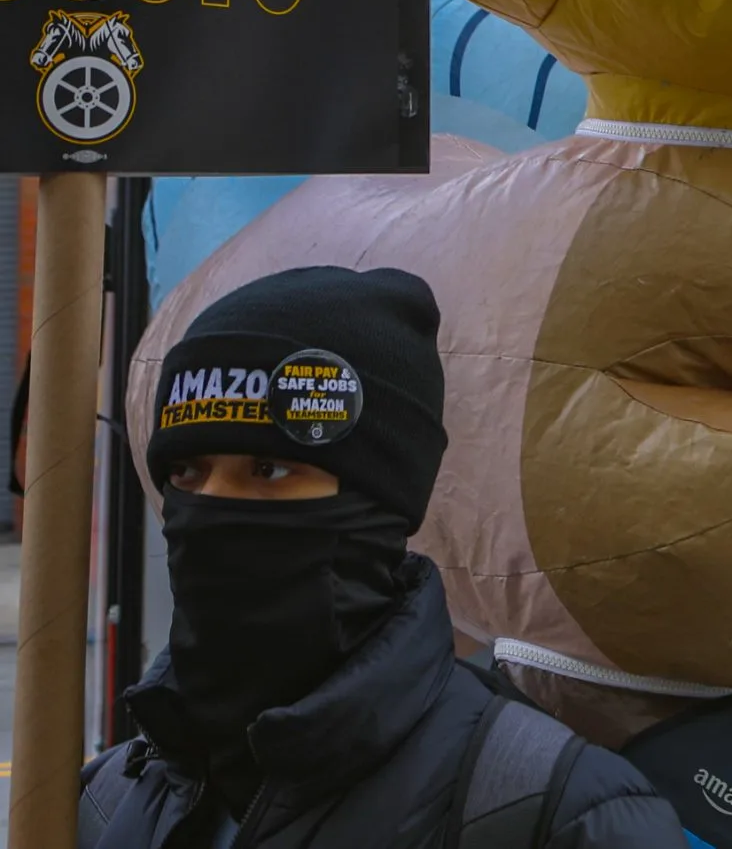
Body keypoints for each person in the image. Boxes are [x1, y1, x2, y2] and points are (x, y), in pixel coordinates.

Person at [80, 265, 682, 849]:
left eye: (268, 469)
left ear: (381, 501)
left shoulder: (559, 814)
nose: (209, 508)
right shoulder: (107, 800)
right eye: (186, 472)